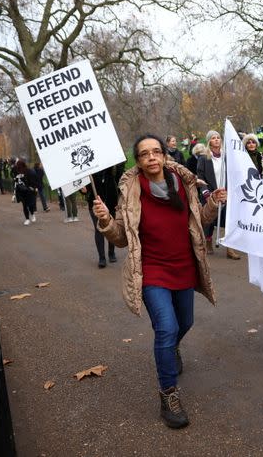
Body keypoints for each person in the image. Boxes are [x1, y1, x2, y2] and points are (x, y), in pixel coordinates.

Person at [93, 134, 227, 429]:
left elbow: (199, 220)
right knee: (166, 327)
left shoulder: (183, 182)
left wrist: (214, 204)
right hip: (152, 270)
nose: (151, 157)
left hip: (184, 267)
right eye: (144, 154)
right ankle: (168, 395)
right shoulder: (130, 191)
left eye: (157, 152)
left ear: (165, 156)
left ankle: (171, 348)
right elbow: (119, 239)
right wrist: (105, 220)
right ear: (138, 161)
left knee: (185, 323)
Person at [196, 130, 240, 259]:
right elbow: (201, 176)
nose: (216, 140)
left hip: (226, 194)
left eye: (218, 138)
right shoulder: (204, 158)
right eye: (213, 138)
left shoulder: (227, 156)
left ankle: (229, 249)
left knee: (229, 220)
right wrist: (206, 193)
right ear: (209, 141)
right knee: (210, 221)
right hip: (211, 194)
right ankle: (208, 242)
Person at [81, 163, 124, 268]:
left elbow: (120, 177)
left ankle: (111, 252)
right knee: (98, 229)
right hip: (95, 201)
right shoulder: (88, 165)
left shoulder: (111, 163)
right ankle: (102, 257)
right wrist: (82, 190)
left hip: (111, 199)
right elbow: (82, 182)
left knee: (111, 225)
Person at [13, 159, 39, 225]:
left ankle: (32, 214)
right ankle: (27, 219)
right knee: (24, 205)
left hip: (29, 191)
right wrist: (14, 193)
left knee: (30, 205)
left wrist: (33, 187)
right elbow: (16, 182)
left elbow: (33, 180)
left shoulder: (29, 171)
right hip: (21, 192)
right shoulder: (17, 172)